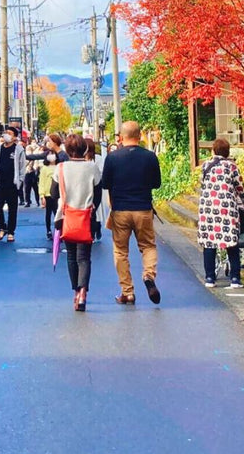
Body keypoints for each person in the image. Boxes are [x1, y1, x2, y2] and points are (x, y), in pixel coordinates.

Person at [98, 120, 162, 305]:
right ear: (140, 135)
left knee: (120, 252)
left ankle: (128, 292)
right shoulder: (150, 157)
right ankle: (148, 275)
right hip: (143, 208)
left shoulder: (113, 157)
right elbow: (156, 183)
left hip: (120, 210)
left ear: (121, 136)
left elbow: (105, 184)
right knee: (148, 246)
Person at [53, 134, 100, 311]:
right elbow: (98, 194)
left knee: (71, 256)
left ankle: (75, 291)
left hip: (66, 216)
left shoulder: (61, 168)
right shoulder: (92, 167)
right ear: (85, 149)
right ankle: (83, 293)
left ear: (67, 149)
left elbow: (54, 192)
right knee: (84, 257)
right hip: (86, 216)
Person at [197, 138, 244, 288]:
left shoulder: (206, 165)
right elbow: (240, 188)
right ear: (228, 152)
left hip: (208, 209)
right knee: (231, 242)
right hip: (226, 209)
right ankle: (235, 279)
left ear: (213, 151)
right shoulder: (232, 167)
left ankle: (210, 278)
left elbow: (202, 184)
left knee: (209, 242)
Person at [0, 127, 26, 242]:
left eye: (9, 133)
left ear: (14, 137)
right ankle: (2, 228)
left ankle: (11, 232)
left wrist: (20, 181)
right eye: (6, 133)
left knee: (12, 209)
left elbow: (22, 167)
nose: (6, 135)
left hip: (12, 184)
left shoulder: (19, 150)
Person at [38, 152, 58, 240]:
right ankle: (48, 230)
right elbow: (41, 182)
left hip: (58, 194)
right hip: (47, 194)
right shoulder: (44, 169)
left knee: (57, 213)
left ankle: (58, 230)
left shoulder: (59, 167)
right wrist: (42, 195)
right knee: (48, 213)